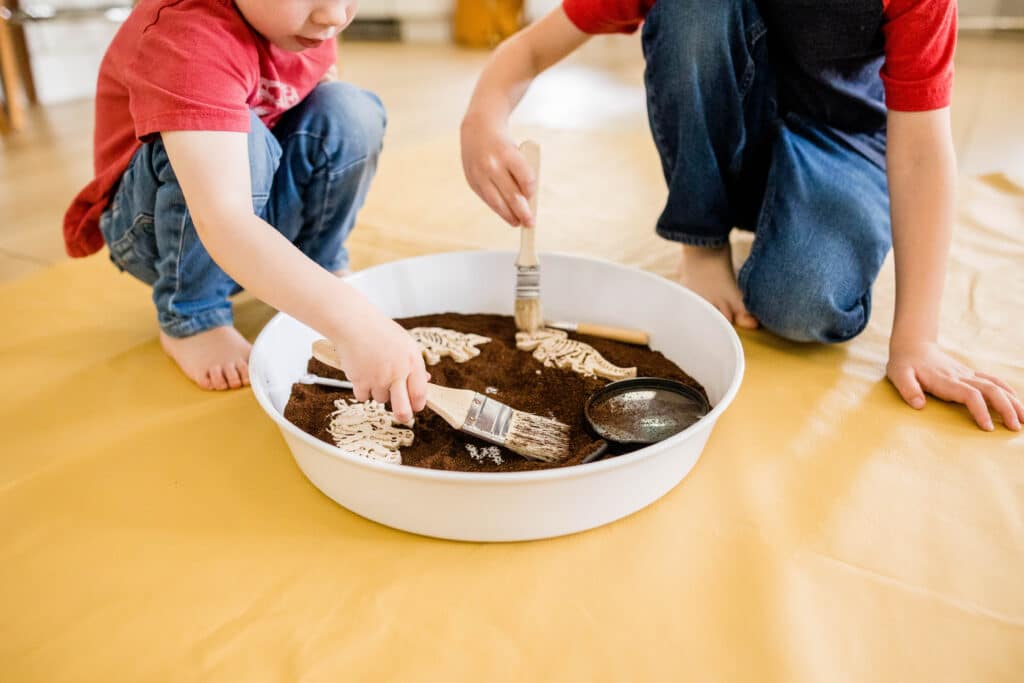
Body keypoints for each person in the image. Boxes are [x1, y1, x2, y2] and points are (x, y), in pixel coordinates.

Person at [459, 0, 1023, 431]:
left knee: (802, 305)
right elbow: (531, 50)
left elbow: (922, 150)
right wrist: (483, 113)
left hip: (843, 142)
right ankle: (701, 241)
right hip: (733, 144)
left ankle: (779, 226)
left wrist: (916, 340)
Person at [63, 0, 428, 422]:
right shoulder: (187, 35)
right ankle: (192, 313)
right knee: (242, 136)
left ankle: (317, 267)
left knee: (349, 110)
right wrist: (354, 323)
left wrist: (324, 298)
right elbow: (223, 217)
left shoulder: (306, 24)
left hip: (257, 198)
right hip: (163, 226)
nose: (333, 15)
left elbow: (315, 124)